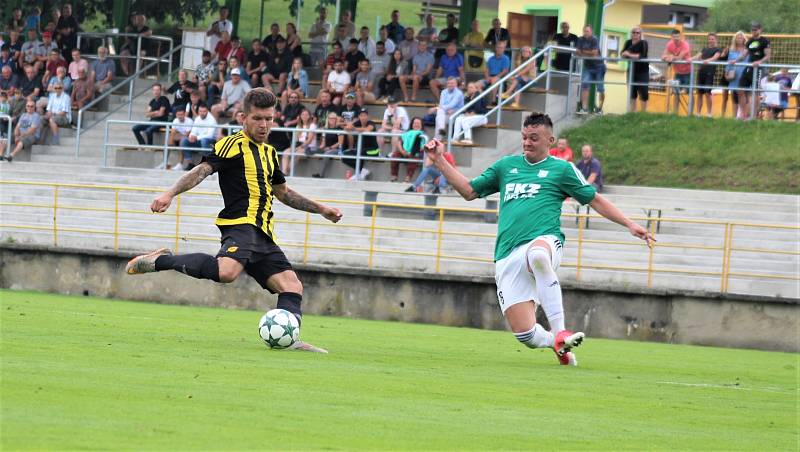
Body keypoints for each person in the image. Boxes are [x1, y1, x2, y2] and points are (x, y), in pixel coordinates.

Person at [424, 112, 654, 366]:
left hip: (545, 240)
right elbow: (469, 191)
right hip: (507, 255)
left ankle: (560, 331)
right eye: (524, 137)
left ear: (550, 140)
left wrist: (630, 224)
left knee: (538, 255)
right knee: (525, 334)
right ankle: (556, 344)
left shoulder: (562, 170)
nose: (527, 143)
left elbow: (595, 200)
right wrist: (439, 161)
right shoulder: (506, 167)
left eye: (534, 138)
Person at [126, 88, 341, 353]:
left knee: (292, 285)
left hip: (263, 232)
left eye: (269, 119)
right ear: (243, 118)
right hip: (240, 224)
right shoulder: (232, 144)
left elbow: (283, 194)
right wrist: (170, 193)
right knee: (227, 272)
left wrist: (321, 209)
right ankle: (162, 260)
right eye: (257, 118)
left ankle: (290, 339)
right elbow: (201, 171)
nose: (264, 125)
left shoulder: (271, 153)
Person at [735, 22, 771, 120]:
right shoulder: (750, 41)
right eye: (752, 30)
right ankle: (743, 114)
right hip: (749, 68)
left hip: (759, 69)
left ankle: (753, 116)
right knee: (740, 90)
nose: (754, 31)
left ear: (760, 30)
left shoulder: (765, 41)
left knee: (755, 93)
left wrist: (759, 61)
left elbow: (768, 56)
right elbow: (744, 55)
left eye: (755, 29)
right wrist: (735, 60)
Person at [341, 107, 379, 180]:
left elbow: (368, 130)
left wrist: (354, 129)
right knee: (345, 156)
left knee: (360, 153)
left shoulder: (371, 123)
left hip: (374, 150)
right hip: (361, 149)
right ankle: (363, 171)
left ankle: (358, 173)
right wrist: (350, 125)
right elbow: (347, 128)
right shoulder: (357, 123)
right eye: (361, 115)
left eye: (365, 115)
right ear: (359, 117)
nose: (363, 117)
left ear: (368, 116)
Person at [176, 104, 218, 170]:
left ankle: (207, 163)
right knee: (184, 141)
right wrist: (191, 136)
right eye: (200, 111)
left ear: (207, 111)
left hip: (211, 142)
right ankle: (190, 163)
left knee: (204, 140)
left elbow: (210, 135)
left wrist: (197, 138)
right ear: (198, 111)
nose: (202, 113)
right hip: (199, 141)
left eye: (204, 111)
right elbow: (193, 131)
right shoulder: (197, 119)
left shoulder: (212, 120)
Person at [661, 29, 692, 114]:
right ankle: (675, 113)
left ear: (681, 36)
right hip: (677, 72)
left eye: (678, 36)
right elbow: (663, 56)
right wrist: (667, 57)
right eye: (674, 37)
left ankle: (690, 113)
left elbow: (680, 57)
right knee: (676, 92)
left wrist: (671, 57)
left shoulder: (685, 45)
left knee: (689, 92)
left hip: (688, 72)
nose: (676, 38)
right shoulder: (669, 44)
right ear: (671, 37)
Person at [576, 25, 605, 115]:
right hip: (588, 67)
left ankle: (599, 109)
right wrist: (588, 53)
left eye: (587, 31)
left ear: (591, 32)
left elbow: (595, 53)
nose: (585, 33)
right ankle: (584, 108)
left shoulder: (594, 39)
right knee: (585, 84)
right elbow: (577, 51)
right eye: (584, 31)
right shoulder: (581, 39)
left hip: (599, 66)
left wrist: (583, 52)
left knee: (600, 88)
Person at [691, 33, 721, 117]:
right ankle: (698, 113)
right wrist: (690, 59)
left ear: (716, 40)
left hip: (710, 73)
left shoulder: (718, 49)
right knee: (699, 93)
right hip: (701, 72)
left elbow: (715, 57)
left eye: (712, 39)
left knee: (708, 93)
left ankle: (709, 113)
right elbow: (698, 56)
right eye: (709, 39)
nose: (711, 40)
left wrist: (708, 60)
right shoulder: (704, 48)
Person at [389, 116, 427, 182]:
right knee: (395, 155)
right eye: (415, 123)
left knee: (413, 156)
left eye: (418, 123)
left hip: (416, 152)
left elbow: (422, 147)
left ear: (421, 125)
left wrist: (411, 152)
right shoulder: (407, 134)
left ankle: (408, 177)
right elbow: (399, 143)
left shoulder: (423, 135)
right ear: (412, 125)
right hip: (405, 152)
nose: (416, 125)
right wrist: (403, 151)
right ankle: (394, 176)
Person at [621, 27, 649, 113]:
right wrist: (630, 55)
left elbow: (642, 55)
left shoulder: (643, 43)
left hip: (642, 71)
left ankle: (643, 113)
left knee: (643, 92)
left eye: (637, 33)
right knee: (632, 92)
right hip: (632, 71)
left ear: (641, 34)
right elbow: (622, 54)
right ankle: (633, 112)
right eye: (634, 32)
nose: (635, 34)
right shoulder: (628, 42)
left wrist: (629, 54)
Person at [282, 108, 318, 175]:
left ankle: (288, 170)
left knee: (296, 154)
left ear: (309, 116)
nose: (304, 116)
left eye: (306, 115)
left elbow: (309, 140)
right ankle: (284, 172)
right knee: (285, 153)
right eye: (303, 114)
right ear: (300, 116)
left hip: (308, 147)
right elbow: (297, 139)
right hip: (299, 145)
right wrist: (295, 147)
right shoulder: (298, 126)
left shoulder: (312, 125)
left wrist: (300, 147)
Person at [721, 31, 747, 119]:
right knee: (734, 95)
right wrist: (726, 72)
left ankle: (743, 115)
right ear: (735, 39)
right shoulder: (731, 50)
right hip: (734, 75)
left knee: (742, 95)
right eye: (738, 37)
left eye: (741, 37)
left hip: (743, 75)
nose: (739, 39)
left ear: (744, 39)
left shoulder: (747, 50)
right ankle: (735, 116)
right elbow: (729, 63)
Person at [312, 112, 345, 178]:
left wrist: (330, 148)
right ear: (328, 119)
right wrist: (319, 149)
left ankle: (321, 175)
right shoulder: (325, 129)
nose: (332, 120)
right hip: (328, 148)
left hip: (337, 149)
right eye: (330, 118)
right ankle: (316, 172)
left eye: (334, 118)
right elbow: (323, 143)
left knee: (327, 153)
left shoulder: (339, 129)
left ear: (336, 119)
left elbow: (340, 142)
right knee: (315, 151)